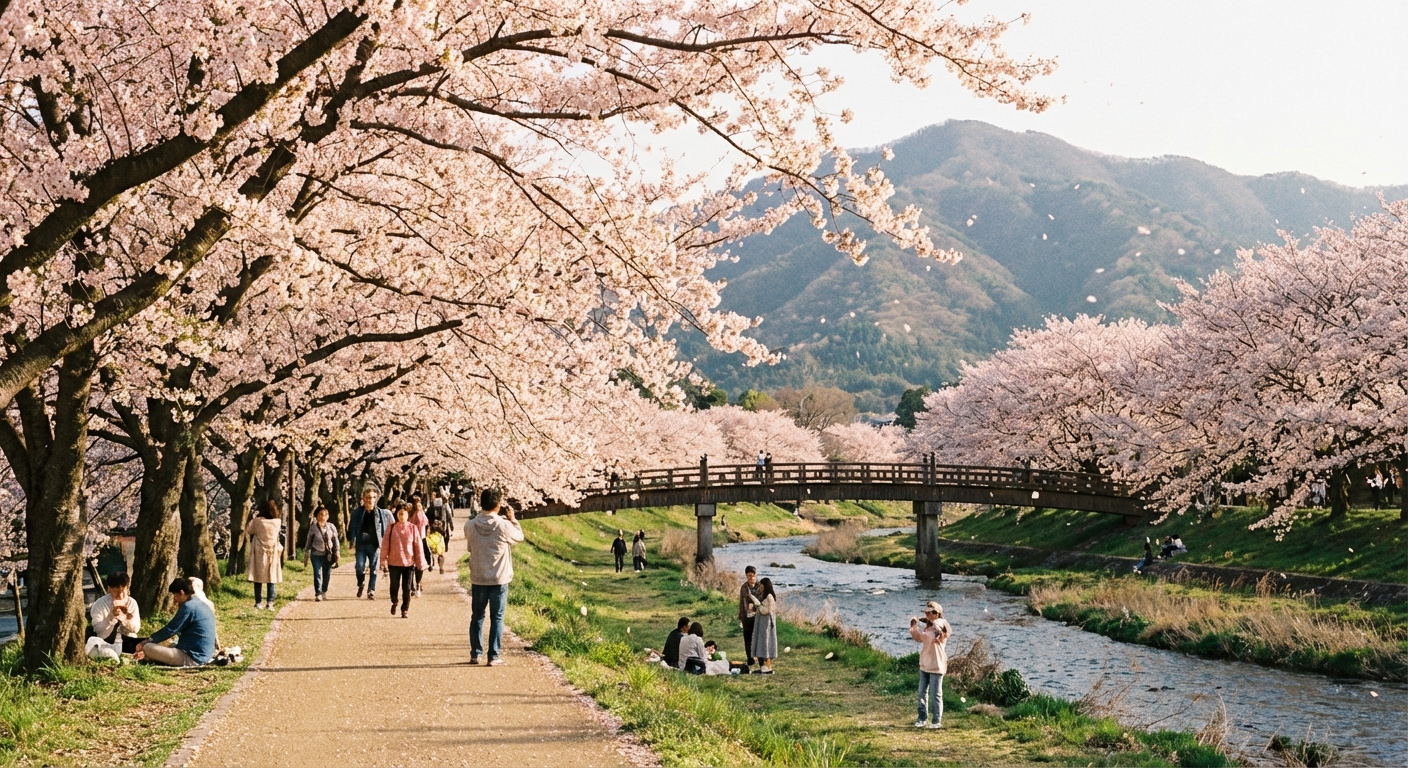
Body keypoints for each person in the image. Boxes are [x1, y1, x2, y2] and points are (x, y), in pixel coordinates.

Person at [467, 488, 524, 666]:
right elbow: (519, 537)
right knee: (497, 617)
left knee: (477, 616)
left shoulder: (470, 525)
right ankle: (493, 656)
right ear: (498, 505)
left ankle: (475, 654)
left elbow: (470, 547)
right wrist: (512, 519)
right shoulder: (503, 525)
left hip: (478, 577)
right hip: (499, 578)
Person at [135, 578, 217, 667]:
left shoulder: (188, 606)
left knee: (147, 647)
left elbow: (170, 630)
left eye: (175, 594)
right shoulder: (198, 603)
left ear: (182, 592)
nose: (174, 598)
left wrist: (147, 641)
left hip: (193, 658)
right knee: (170, 646)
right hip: (204, 655)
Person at [909, 601, 951, 729]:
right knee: (921, 693)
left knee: (936, 694)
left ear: (937, 613)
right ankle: (922, 718)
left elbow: (941, 627)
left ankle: (936, 721)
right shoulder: (927, 628)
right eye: (926, 612)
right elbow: (918, 638)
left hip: (937, 666)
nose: (927, 614)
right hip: (925, 664)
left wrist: (933, 623)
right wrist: (914, 625)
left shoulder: (942, 624)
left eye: (930, 612)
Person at [381, 503, 427, 618]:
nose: (402, 516)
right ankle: (394, 601)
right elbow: (385, 545)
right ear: (396, 514)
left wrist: (420, 562)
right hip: (393, 563)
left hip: (408, 564)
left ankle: (404, 609)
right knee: (394, 586)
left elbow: (418, 546)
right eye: (400, 513)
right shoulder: (391, 527)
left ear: (408, 515)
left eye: (404, 513)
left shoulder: (412, 528)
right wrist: (383, 560)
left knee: (407, 588)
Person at [348, 488, 392, 600]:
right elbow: (352, 527)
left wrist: (385, 545)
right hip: (361, 544)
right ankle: (361, 583)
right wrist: (351, 541)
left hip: (374, 544)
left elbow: (384, 529)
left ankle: (371, 590)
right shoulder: (356, 513)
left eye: (373, 497)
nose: (370, 500)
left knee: (374, 568)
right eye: (368, 497)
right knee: (360, 566)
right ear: (363, 498)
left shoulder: (381, 513)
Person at [242, 500, 283, 610]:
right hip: (272, 551)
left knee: (257, 577)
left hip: (259, 552)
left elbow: (249, 530)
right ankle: (270, 602)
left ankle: (258, 602)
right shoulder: (277, 522)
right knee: (271, 576)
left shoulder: (257, 522)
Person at [89, 572, 143, 654]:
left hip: (127, 640)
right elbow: (98, 630)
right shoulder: (100, 604)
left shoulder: (132, 603)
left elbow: (136, 629)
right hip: (106, 640)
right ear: (109, 589)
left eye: (123, 591)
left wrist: (124, 619)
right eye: (116, 591)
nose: (120, 595)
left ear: (128, 587)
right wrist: (111, 618)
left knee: (147, 644)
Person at [302, 505, 339, 601]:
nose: (323, 517)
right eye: (321, 515)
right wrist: (306, 555)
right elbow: (308, 542)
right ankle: (318, 593)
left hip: (328, 554)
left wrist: (337, 552)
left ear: (328, 516)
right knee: (317, 573)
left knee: (327, 574)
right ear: (316, 516)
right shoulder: (313, 528)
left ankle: (324, 591)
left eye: (325, 515)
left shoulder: (331, 527)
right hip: (316, 554)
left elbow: (335, 540)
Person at [748, 577, 778, 673]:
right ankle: (764, 667)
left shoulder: (769, 596)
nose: (760, 588)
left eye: (761, 586)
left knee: (765, 643)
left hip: (766, 624)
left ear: (765, 586)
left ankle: (767, 667)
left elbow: (765, 610)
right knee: (763, 642)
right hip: (764, 623)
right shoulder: (767, 596)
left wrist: (756, 603)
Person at [738, 566, 762, 666]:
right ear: (746, 576)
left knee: (758, 638)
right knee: (747, 638)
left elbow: (761, 600)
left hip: (758, 616)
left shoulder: (760, 586)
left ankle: (760, 658)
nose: (751, 578)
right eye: (749, 576)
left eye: (752, 575)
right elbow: (742, 603)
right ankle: (750, 658)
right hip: (747, 616)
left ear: (755, 575)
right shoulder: (744, 587)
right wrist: (741, 617)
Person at [411, 496, 430, 596]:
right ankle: (417, 584)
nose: (420, 506)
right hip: (418, 540)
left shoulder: (415, 514)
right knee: (418, 562)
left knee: (415, 563)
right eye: (418, 504)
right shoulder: (418, 514)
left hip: (418, 539)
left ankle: (416, 584)